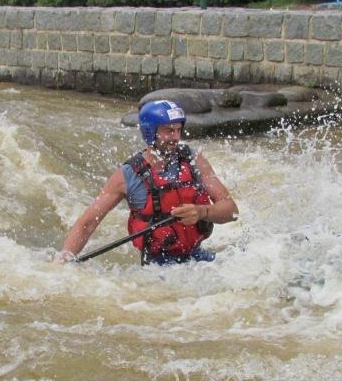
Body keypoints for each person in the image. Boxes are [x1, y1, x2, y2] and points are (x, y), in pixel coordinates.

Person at [57, 100, 238, 265]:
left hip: (197, 256)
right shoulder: (128, 175)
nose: (176, 137)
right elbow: (87, 223)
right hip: (158, 268)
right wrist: (63, 259)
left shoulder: (193, 160)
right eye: (169, 131)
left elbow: (231, 210)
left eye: (178, 130)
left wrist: (202, 212)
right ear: (151, 132)